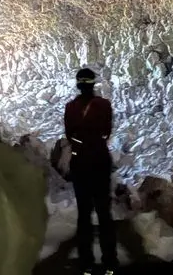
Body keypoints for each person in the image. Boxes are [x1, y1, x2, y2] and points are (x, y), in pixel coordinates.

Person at [64, 68, 117, 275]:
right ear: (93, 84)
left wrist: (81, 142)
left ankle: (86, 264)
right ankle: (110, 264)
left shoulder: (71, 107)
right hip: (100, 161)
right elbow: (106, 132)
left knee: (84, 214)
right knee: (104, 213)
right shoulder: (104, 105)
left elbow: (69, 135)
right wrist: (95, 141)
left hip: (81, 164)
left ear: (78, 84)